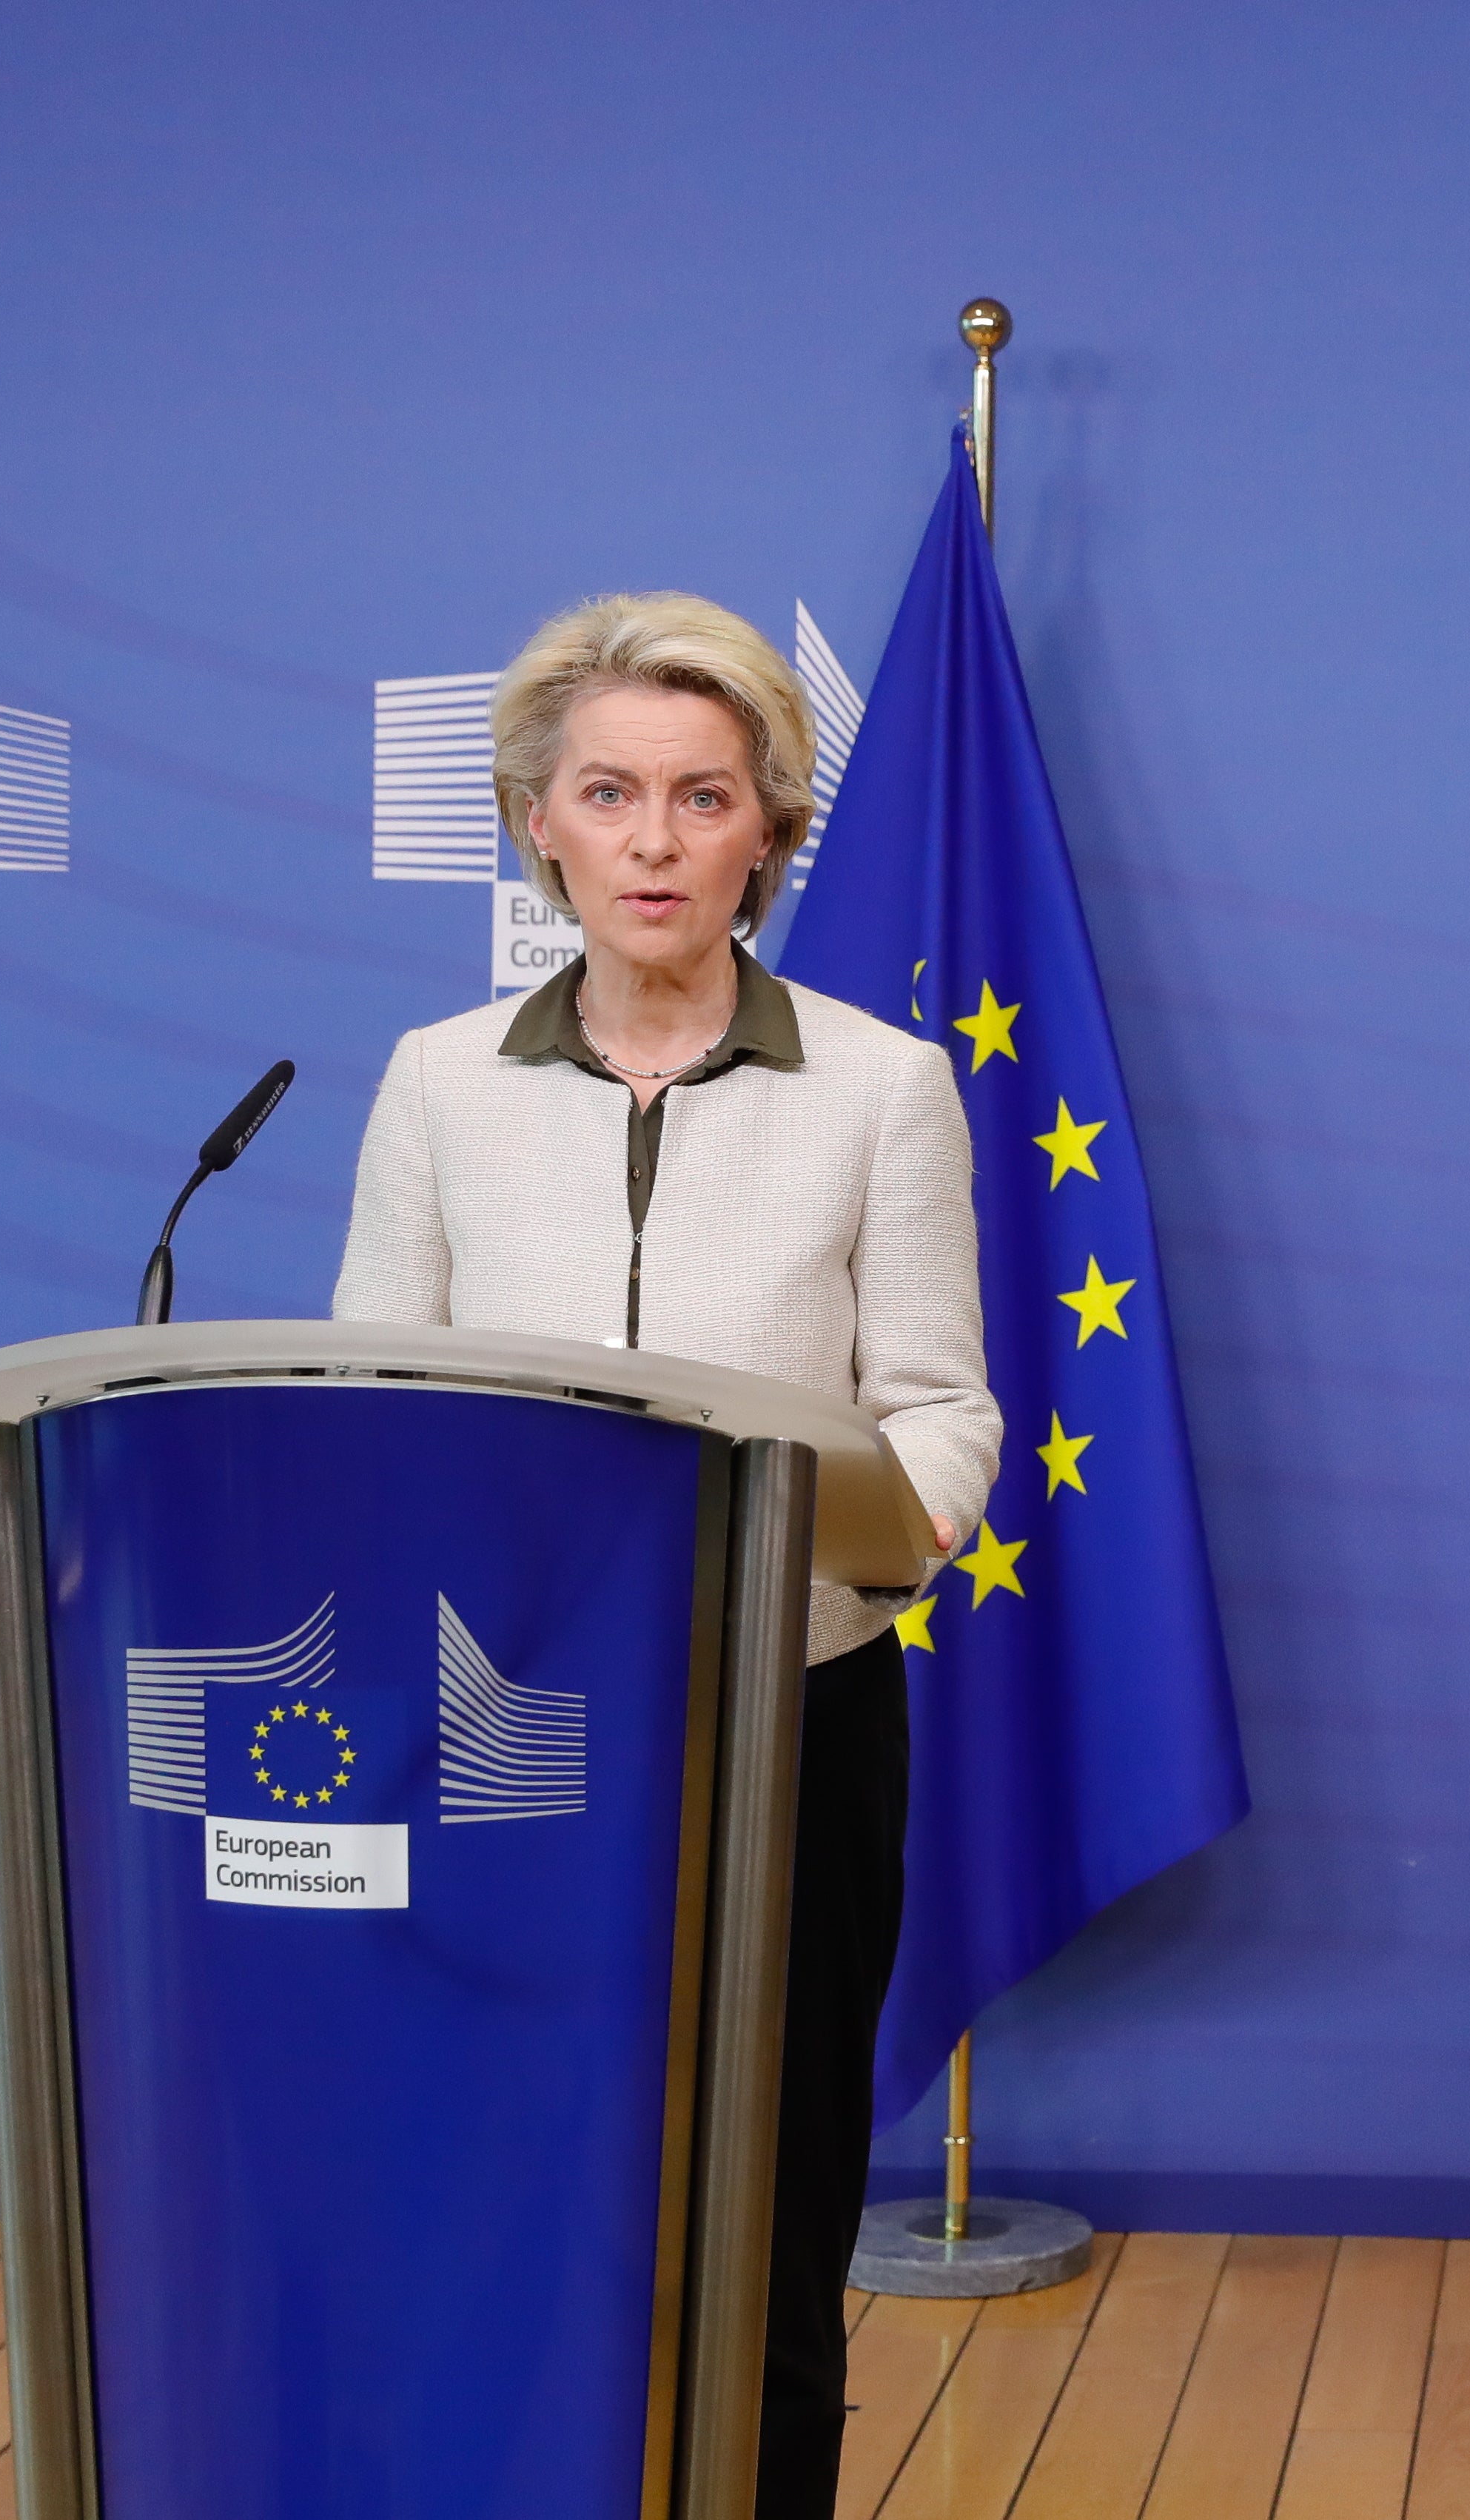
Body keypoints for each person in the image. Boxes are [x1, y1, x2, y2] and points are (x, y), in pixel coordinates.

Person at [333, 592, 999, 2515]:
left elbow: (942, 1402)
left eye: (700, 797)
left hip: (792, 1724)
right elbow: (373, 1392)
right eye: (606, 792)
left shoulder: (878, 1086)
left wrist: (872, 1541)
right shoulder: (437, 1081)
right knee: (504, 2187)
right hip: (500, 1739)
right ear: (535, 818)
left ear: (766, 834)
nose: (648, 838)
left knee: (770, 2207)